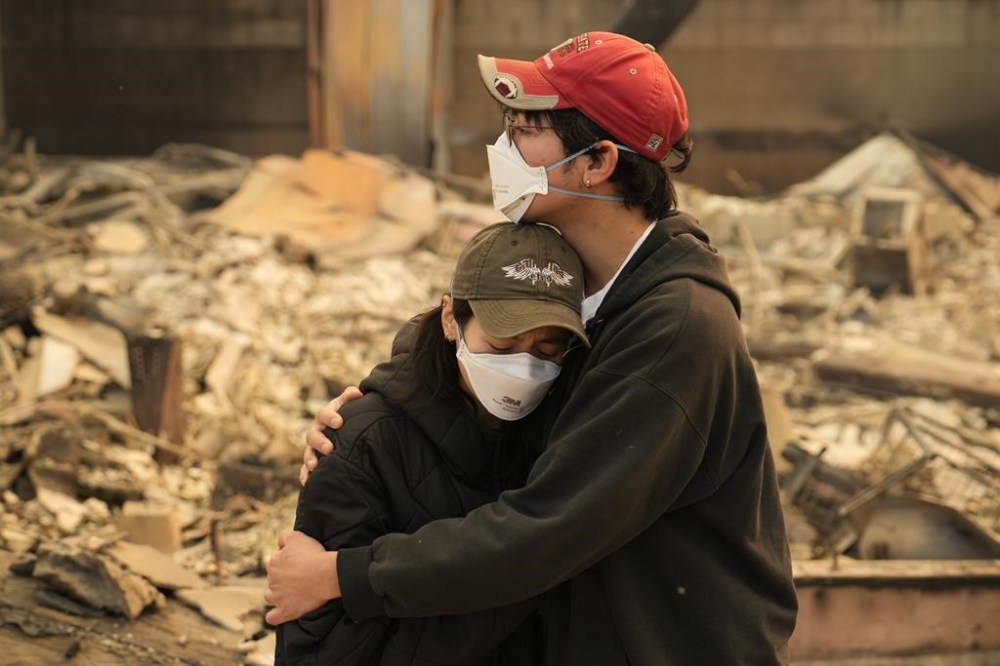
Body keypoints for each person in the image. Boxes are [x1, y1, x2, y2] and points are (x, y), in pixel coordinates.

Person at [268, 31, 798, 664]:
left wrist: (345, 575)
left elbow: (549, 527)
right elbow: (477, 323)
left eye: (524, 131)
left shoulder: (674, 328)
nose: (502, 149)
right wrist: (368, 421)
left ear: (598, 161)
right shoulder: (587, 278)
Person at [273, 222, 588, 665]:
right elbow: (320, 633)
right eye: (501, 344)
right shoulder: (366, 442)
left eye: (547, 349)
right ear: (450, 319)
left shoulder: (560, 430)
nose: (523, 366)